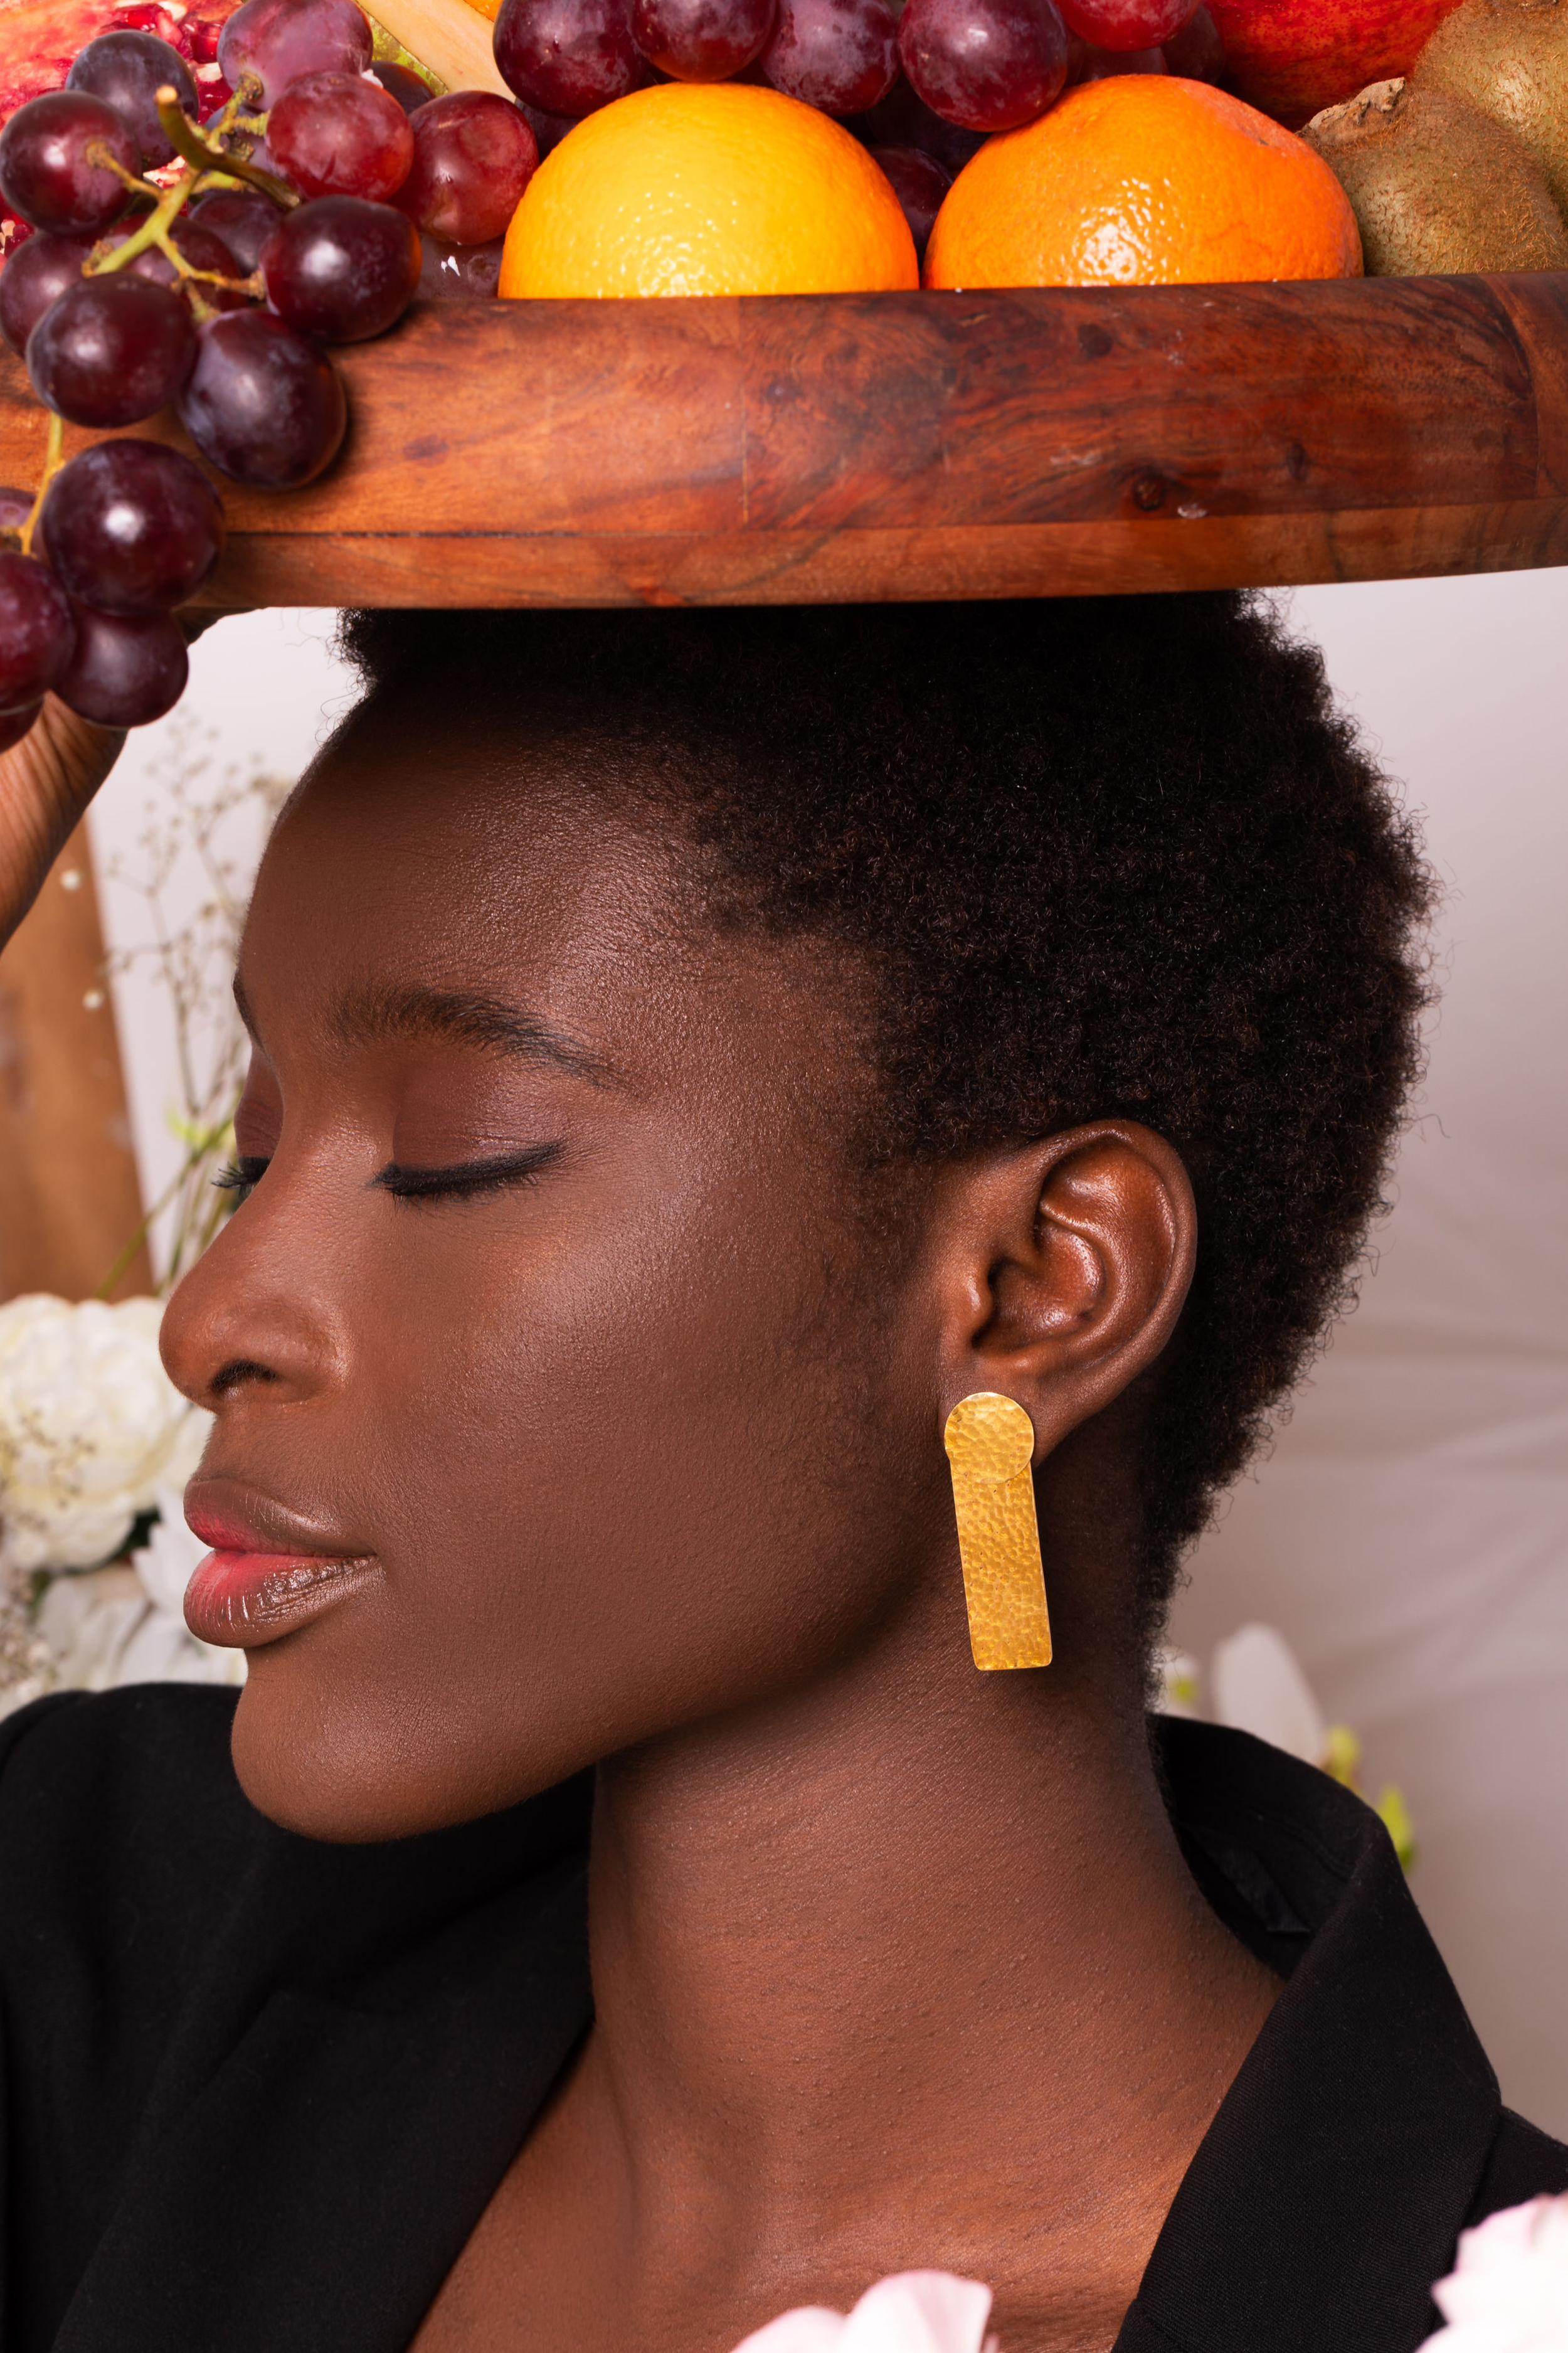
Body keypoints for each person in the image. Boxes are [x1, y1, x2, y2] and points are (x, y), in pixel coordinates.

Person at [0, 595, 1561, 2353]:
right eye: (253, 1157)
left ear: (1038, 1285)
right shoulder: (110, 1952)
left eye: (449, 1157)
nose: (211, 1315)